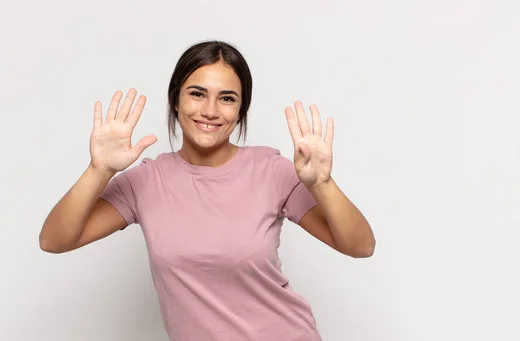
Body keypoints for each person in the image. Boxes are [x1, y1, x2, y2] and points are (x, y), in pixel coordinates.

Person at [40, 40, 376, 341]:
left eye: (227, 98)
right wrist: (100, 170)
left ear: (240, 110)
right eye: (197, 93)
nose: (210, 111)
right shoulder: (146, 180)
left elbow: (360, 246)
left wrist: (322, 183)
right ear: (175, 100)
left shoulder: (272, 171)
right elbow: (55, 241)